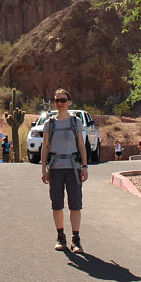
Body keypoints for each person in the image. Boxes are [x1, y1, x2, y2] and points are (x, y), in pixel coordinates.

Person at [40, 88, 88, 254]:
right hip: (55, 168)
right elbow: (45, 148)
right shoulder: (49, 124)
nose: (59, 103)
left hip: (73, 167)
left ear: (69, 102)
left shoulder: (76, 122)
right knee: (57, 204)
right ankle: (61, 236)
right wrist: (43, 169)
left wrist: (85, 166)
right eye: (56, 100)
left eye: (62, 100)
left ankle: (76, 238)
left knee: (75, 204)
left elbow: (81, 146)